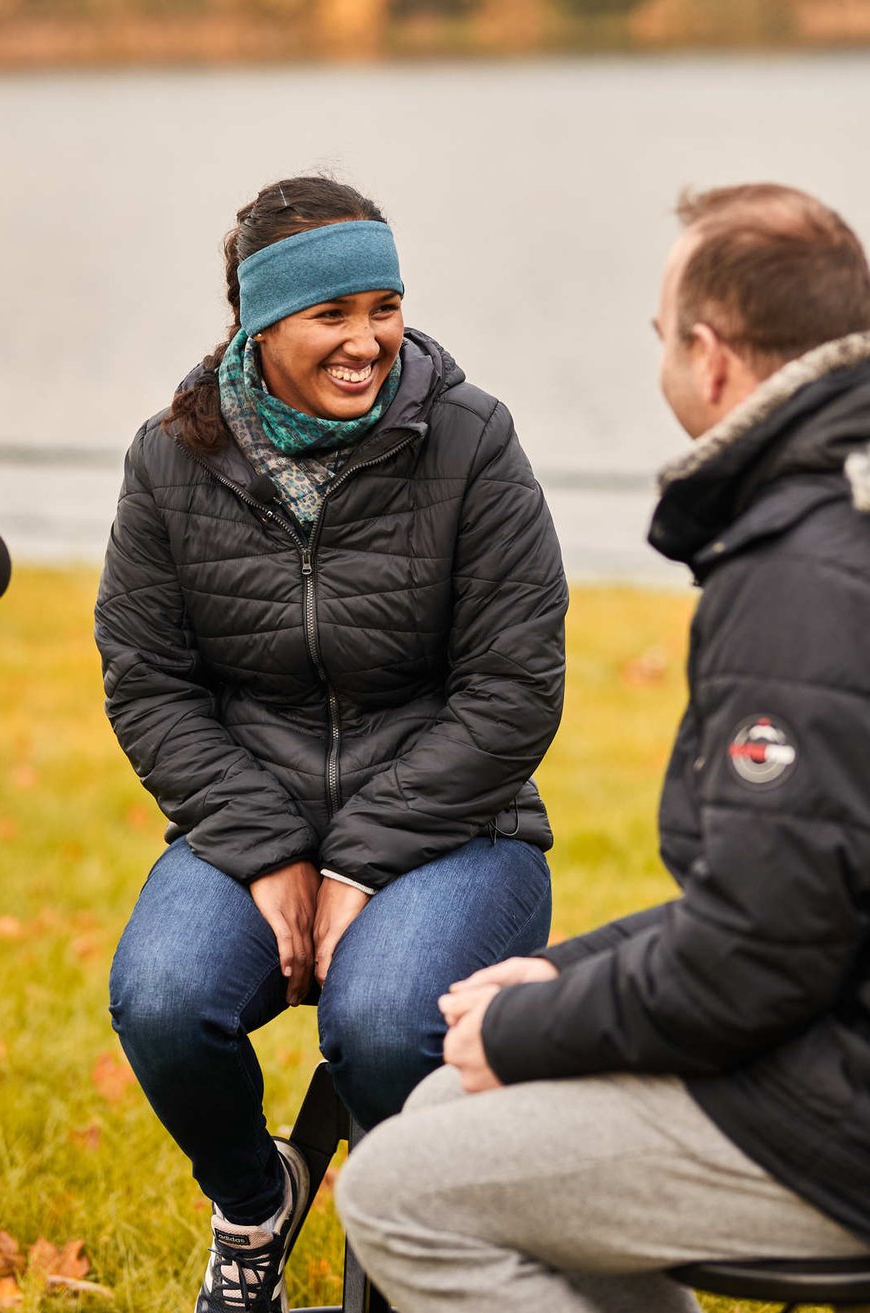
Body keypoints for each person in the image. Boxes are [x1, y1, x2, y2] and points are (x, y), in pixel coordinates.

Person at [335, 182, 870, 1313]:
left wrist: (537, 1022)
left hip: (837, 1106)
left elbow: (762, 955)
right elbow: (791, 889)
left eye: (660, 336)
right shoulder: (820, 524)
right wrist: (565, 974)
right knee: (447, 1110)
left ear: (712, 359)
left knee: (395, 1189)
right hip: (826, 1034)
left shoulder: (804, 581)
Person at [94, 174, 567, 1313]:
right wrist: (265, 850)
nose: (368, 342)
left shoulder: (471, 439)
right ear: (261, 322)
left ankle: (402, 1243)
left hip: (457, 825)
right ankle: (258, 1201)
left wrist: (356, 861)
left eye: (385, 305)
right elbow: (148, 679)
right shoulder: (170, 459)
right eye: (333, 315)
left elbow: (513, 689)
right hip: (247, 815)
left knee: (384, 1017)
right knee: (161, 999)